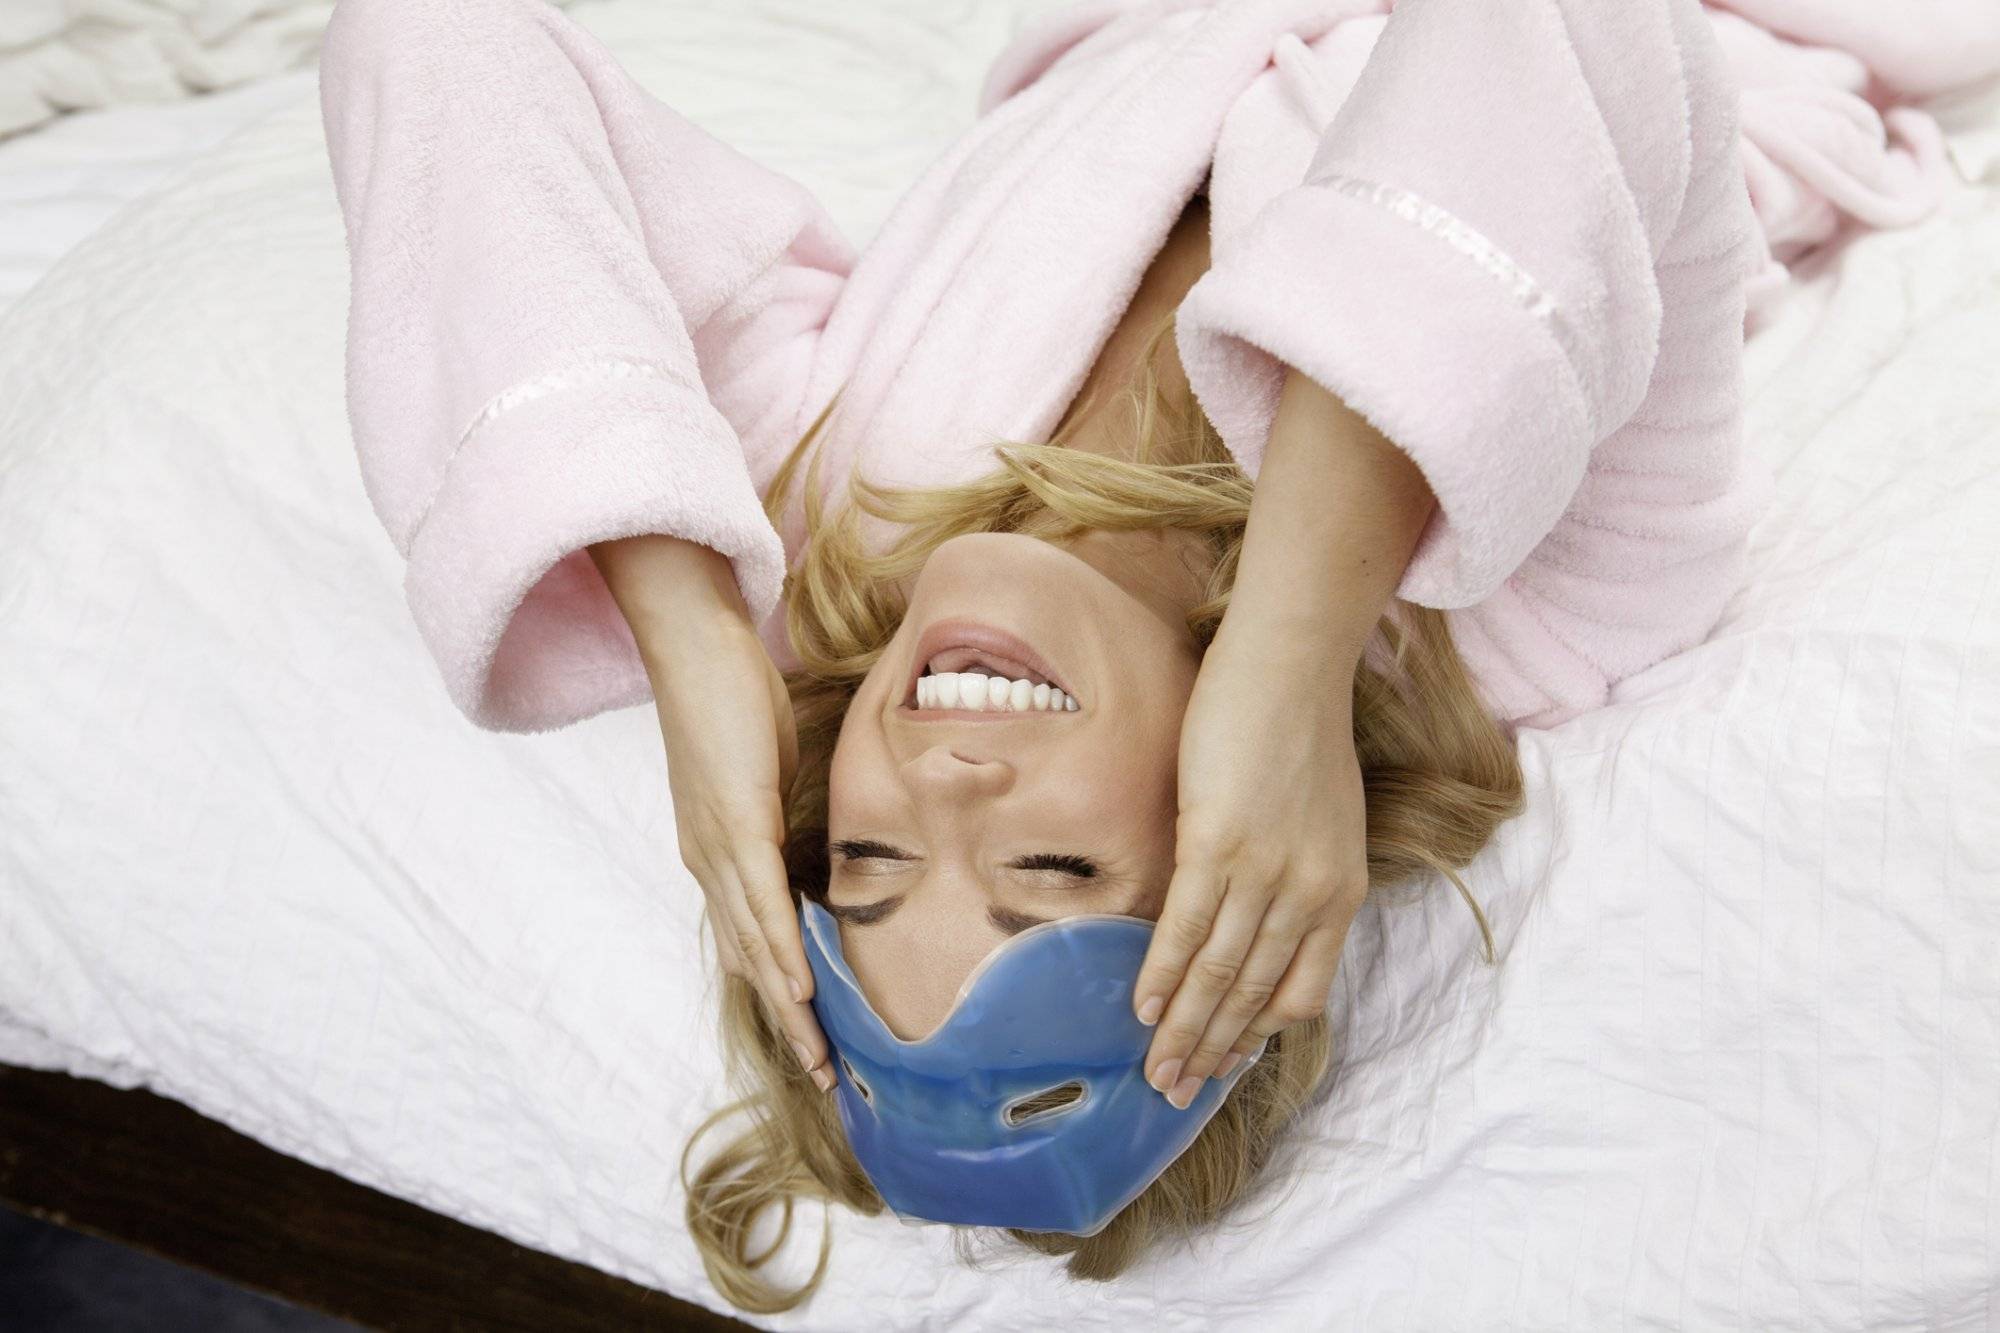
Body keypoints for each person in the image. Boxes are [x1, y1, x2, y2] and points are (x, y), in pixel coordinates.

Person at [320, 0, 1790, 1311]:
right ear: (1248, 844)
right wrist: (1291, 649)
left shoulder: (838, 518)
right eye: (1052, 875)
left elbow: (431, 37)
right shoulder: (1518, 605)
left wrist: (691, 631)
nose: (946, 779)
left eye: (870, 860)